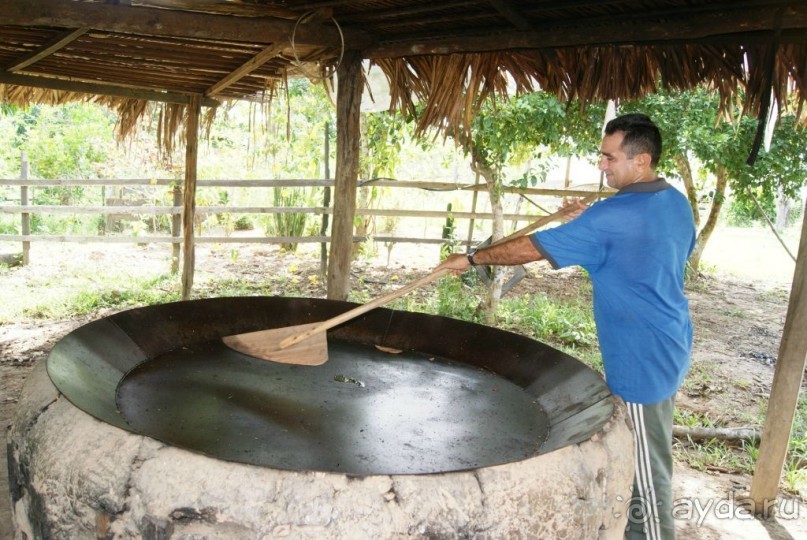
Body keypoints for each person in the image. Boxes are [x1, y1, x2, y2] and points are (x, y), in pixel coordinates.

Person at [437, 113, 696, 540]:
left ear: (642, 160)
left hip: (641, 357)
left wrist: (470, 259)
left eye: (610, 158)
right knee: (647, 450)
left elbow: (528, 250)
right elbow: (646, 245)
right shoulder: (673, 201)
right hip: (671, 338)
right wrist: (587, 221)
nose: (602, 166)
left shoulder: (611, 217)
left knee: (647, 472)